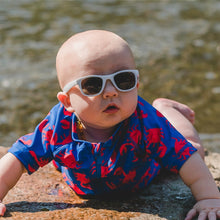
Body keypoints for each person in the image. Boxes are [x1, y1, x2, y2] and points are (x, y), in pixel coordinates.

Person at [0, 30, 219, 219]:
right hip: (83, 175)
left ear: (136, 84)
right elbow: (19, 155)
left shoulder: (146, 123)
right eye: (93, 85)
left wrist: (209, 198)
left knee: (195, 151)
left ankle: (166, 110)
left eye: (123, 80)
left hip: (145, 171)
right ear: (67, 102)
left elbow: (187, 158)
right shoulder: (57, 128)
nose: (111, 91)